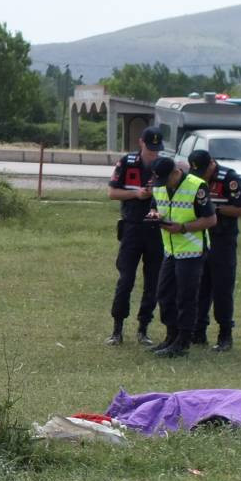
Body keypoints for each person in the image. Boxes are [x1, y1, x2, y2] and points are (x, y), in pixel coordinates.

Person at [146, 156, 217, 357]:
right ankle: (171, 336)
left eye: (165, 180)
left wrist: (183, 228)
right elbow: (154, 204)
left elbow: (211, 219)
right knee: (164, 293)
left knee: (186, 296)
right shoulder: (160, 185)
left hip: (192, 251)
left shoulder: (197, 186)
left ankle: (183, 341)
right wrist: (153, 214)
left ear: (176, 172)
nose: (162, 185)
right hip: (171, 250)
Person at [105, 126, 166, 346]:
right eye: (150, 148)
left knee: (153, 282)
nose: (154, 153)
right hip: (132, 228)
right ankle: (117, 329)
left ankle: (143, 328)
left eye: (157, 149)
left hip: (156, 231)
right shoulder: (127, 162)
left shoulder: (164, 166)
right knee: (126, 280)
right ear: (141, 142)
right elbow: (112, 192)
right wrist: (136, 194)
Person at [189, 149, 241, 352]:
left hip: (223, 240)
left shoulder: (228, 179)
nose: (202, 176)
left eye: (204, 171)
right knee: (200, 287)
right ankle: (198, 332)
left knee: (222, 288)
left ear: (212, 164)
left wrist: (215, 210)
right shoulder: (194, 179)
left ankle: (225, 334)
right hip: (201, 239)